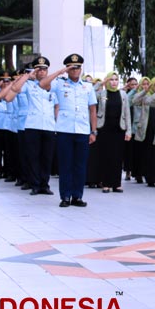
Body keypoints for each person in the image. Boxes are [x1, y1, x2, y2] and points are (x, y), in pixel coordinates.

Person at [40, 53, 97, 207]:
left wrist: (93, 131)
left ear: (81, 69)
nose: (75, 71)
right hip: (64, 130)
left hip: (82, 130)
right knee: (65, 165)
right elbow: (42, 84)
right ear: (67, 69)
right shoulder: (59, 84)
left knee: (80, 165)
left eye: (77, 68)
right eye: (71, 68)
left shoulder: (88, 86)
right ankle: (65, 196)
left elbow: (92, 110)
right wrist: (59, 72)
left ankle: (77, 196)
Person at [0, 56, 56, 196]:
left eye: (44, 69)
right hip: (33, 125)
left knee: (47, 157)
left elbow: (57, 105)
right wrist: (27, 76)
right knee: (33, 157)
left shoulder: (54, 85)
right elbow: (13, 90)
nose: (41, 72)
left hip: (49, 125)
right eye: (39, 69)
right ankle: (35, 185)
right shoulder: (29, 85)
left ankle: (45, 184)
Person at [95, 72, 132, 193]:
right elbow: (90, 92)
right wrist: (102, 83)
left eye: (116, 79)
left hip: (119, 129)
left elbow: (127, 113)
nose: (114, 82)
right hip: (104, 128)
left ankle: (117, 184)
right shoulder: (101, 94)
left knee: (117, 156)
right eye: (111, 79)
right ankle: (106, 183)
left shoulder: (122, 94)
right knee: (106, 156)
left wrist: (128, 131)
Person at [129, 77, 151, 184]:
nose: (146, 86)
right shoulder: (137, 96)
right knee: (138, 153)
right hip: (137, 129)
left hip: (148, 127)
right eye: (143, 84)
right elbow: (132, 100)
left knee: (146, 153)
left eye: (147, 84)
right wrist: (142, 91)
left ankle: (146, 173)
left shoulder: (151, 97)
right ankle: (138, 174)